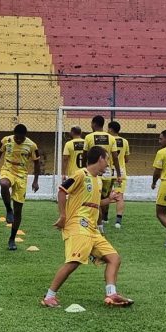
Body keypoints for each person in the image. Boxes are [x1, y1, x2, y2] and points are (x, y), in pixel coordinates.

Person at [41, 146, 133, 308]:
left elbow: (95, 204)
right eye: (107, 160)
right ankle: (49, 297)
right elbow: (62, 191)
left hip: (92, 229)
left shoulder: (97, 179)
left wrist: (109, 199)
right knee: (74, 261)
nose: (108, 165)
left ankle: (111, 294)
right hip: (77, 224)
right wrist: (63, 216)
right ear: (100, 159)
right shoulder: (80, 174)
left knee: (114, 258)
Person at [0, 124, 40, 251]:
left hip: (22, 176)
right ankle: (8, 209)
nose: (18, 140)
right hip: (8, 170)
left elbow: (37, 163)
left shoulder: (32, 145)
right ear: (14, 134)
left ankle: (12, 239)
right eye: (17, 137)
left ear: (25, 136)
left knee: (19, 211)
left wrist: (35, 181)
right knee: (4, 183)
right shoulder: (6, 140)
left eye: (21, 138)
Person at [83, 115, 121, 235]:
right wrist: (119, 174)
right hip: (107, 173)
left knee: (95, 199)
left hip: (94, 172)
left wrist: (85, 170)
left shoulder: (89, 137)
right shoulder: (111, 138)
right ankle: (102, 220)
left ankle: (97, 225)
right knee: (103, 198)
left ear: (94, 123)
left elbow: (85, 155)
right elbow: (115, 157)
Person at [107, 120, 131, 230]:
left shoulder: (108, 140)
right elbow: (127, 159)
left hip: (107, 170)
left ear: (111, 129)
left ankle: (104, 218)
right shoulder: (125, 141)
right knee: (119, 196)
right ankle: (118, 221)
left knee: (104, 194)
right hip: (120, 171)